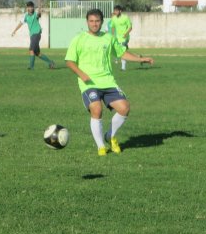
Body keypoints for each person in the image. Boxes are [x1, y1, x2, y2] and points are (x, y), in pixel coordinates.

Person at [65, 9, 153, 156]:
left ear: (102, 22)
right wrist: (82, 74)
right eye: (91, 21)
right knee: (96, 109)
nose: (94, 24)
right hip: (89, 83)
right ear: (87, 22)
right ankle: (101, 146)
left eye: (97, 21)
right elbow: (69, 61)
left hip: (107, 81)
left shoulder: (108, 38)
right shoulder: (79, 39)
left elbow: (122, 53)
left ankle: (110, 136)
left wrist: (141, 59)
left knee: (124, 108)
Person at [11, 1, 55, 70]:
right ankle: (51, 62)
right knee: (37, 53)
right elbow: (20, 23)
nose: (30, 8)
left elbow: (38, 15)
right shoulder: (26, 16)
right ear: (27, 8)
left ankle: (31, 67)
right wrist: (15, 30)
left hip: (36, 33)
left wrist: (40, 12)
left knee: (31, 50)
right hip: (32, 35)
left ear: (33, 7)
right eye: (29, 7)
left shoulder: (35, 13)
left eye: (31, 7)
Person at [111, 5, 132, 71]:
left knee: (123, 52)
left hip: (125, 38)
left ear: (120, 11)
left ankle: (123, 68)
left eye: (117, 11)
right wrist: (112, 35)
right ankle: (138, 57)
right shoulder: (114, 18)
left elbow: (130, 27)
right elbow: (113, 27)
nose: (115, 12)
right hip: (118, 38)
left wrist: (126, 34)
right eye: (115, 11)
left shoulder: (125, 17)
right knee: (121, 52)